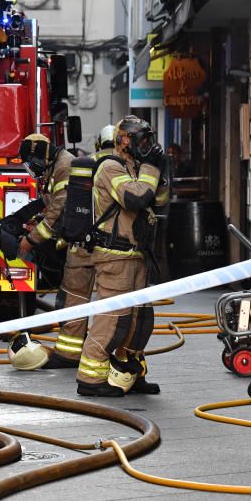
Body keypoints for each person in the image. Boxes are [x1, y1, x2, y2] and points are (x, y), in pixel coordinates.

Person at [77, 116, 169, 397]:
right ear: (123, 139)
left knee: (140, 320)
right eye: (140, 138)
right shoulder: (110, 167)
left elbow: (159, 201)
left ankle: (130, 372)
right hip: (115, 256)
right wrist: (152, 169)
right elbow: (135, 198)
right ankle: (90, 380)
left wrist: (160, 175)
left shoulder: (137, 168)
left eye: (148, 139)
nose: (146, 145)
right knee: (113, 319)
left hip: (136, 255)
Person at [8, 133, 93, 370]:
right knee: (68, 298)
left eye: (31, 164)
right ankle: (72, 350)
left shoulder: (65, 167)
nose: (31, 170)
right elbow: (52, 208)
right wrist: (34, 220)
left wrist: (29, 241)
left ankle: (68, 355)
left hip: (81, 246)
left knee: (72, 299)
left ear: (42, 155)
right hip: (74, 244)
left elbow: (59, 211)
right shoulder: (53, 166)